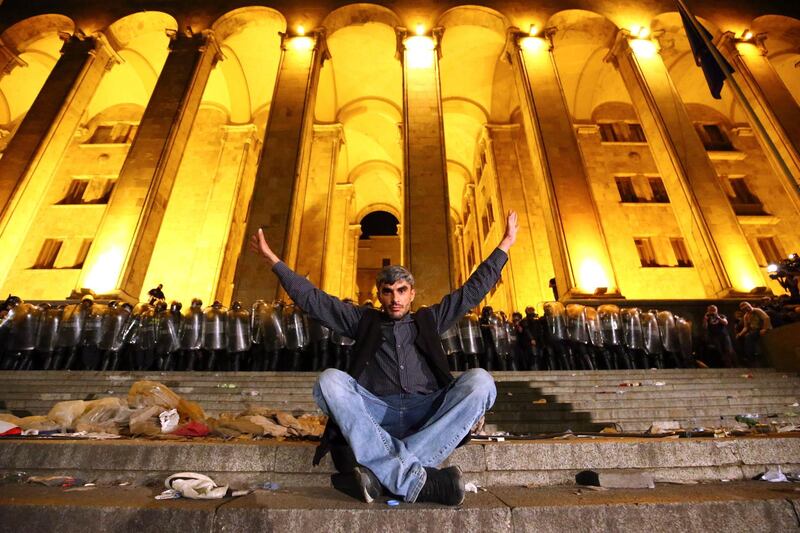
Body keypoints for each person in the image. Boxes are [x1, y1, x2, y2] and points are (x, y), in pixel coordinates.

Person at [249, 211, 518, 506]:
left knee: (481, 381)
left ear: (412, 293)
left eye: (402, 291)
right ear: (379, 295)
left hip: (424, 411)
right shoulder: (363, 321)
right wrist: (273, 262)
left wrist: (504, 246)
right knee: (329, 381)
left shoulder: (429, 320)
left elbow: (471, 292)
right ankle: (414, 480)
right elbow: (314, 300)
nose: (395, 299)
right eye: (388, 292)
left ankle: (382, 474)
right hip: (376, 412)